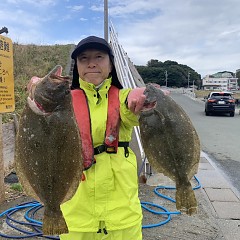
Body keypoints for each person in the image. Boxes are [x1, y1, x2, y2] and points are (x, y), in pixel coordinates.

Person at [60, 36, 146, 240]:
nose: (91, 63)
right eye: (83, 58)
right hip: (77, 215)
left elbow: (135, 103)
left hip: (122, 216)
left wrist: (142, 95)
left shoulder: (124, 97)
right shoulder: (61, 103)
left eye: (99, 57)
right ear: (77, 67)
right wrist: (37, 87)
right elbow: (41, 106)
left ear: (111, 64)